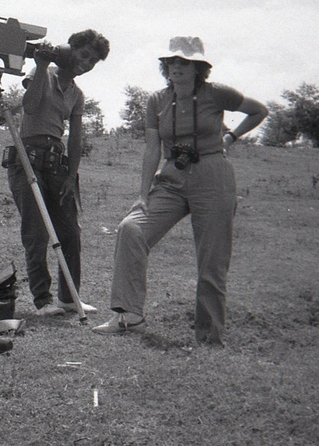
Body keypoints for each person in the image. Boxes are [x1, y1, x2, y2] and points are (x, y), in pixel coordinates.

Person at [93, 36, 268, 346]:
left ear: (198, 67)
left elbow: (258, 110)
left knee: (212, 260)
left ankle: (209, 337)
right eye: (171, 62)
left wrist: (231, 139)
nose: (176, 67)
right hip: (173, 175)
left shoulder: (218, 94)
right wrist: (143, 194)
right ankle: (129, 317)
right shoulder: (156, 100)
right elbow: (151, 149)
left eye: (184, 62)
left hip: (213, 175)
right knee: (131, 229)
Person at [7, 29, 110, 317]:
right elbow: (30, 105)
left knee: (69, 232)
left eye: (93, 61)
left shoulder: (77, 94)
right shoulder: (43, 71)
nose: (86, 64)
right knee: (37, 232)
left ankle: (69, 297)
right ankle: (43, 300)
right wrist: (40, 66)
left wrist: (71, 174)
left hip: (56, 163)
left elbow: (75, 139)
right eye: (84, 55)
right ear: (70, 49)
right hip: (26, 158)